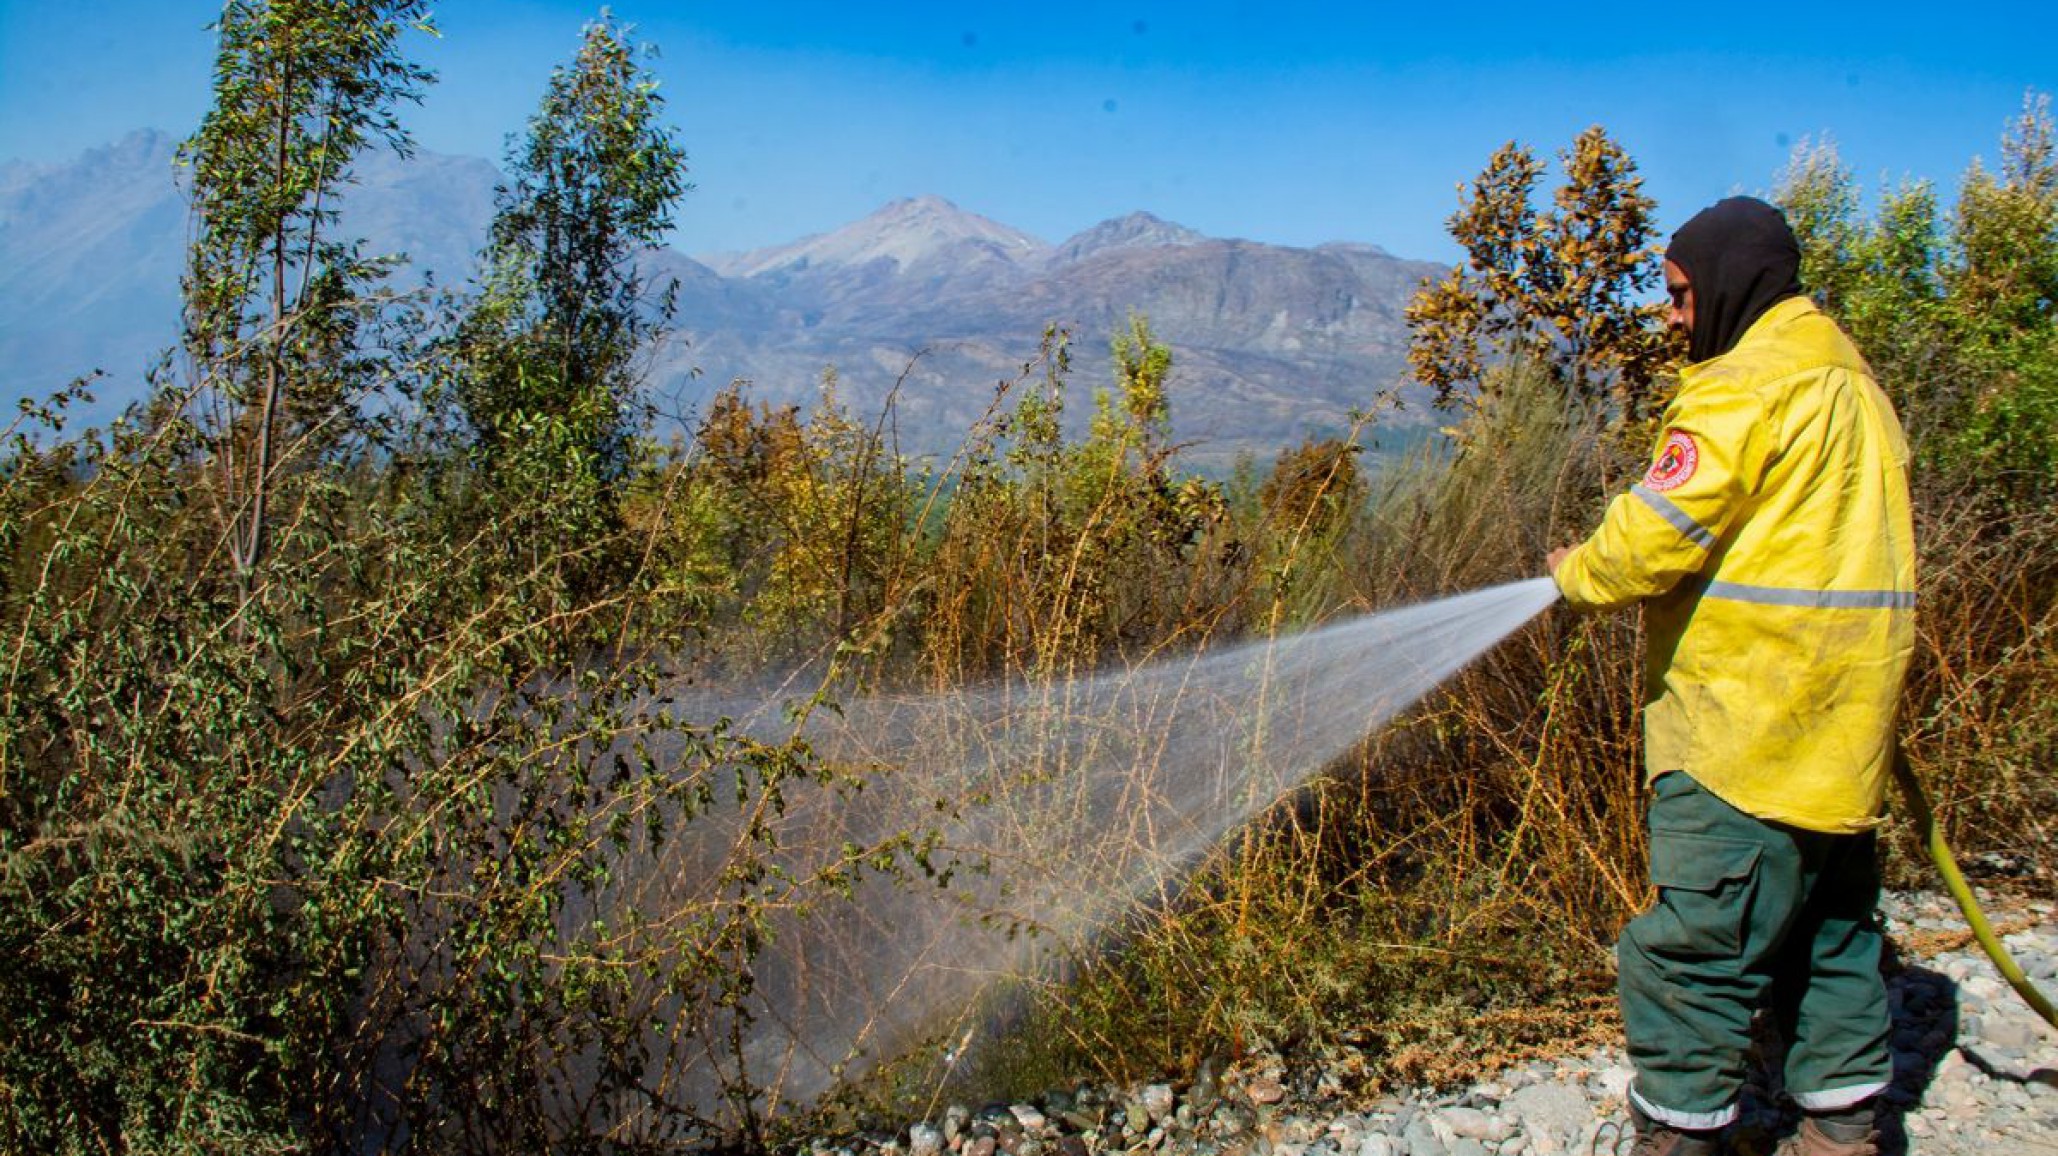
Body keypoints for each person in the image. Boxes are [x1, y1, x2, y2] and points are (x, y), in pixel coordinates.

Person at [1546, 196, 1916, 1156]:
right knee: (1828, 938)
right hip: (1842, 732)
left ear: (1727, 284)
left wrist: (1573, 575)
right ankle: (1843, 1135)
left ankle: (1683, 1137)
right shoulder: (1849, 379)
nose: (1671, 318)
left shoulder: (1743, 385)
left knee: (1691, 958)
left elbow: (1650, 541)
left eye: (1677, 296)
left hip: (1743, 729)